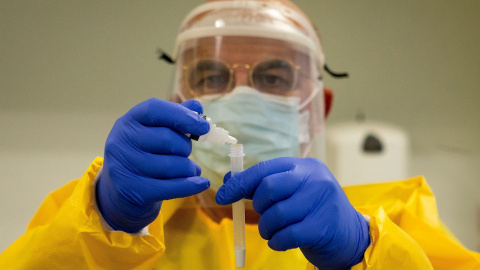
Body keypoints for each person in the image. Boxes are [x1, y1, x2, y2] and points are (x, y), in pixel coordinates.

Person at [1, 0, 479, 269]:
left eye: (274, 78)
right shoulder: (97, 222)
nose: (241, 96)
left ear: (319, 107)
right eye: (211, 77)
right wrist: (107, 222)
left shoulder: (399, 220)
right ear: (177, 104)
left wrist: (365, 252)